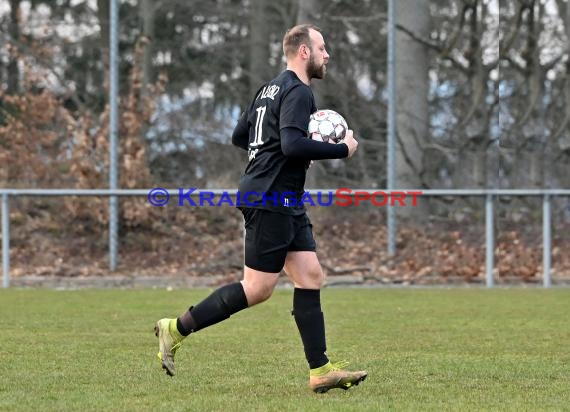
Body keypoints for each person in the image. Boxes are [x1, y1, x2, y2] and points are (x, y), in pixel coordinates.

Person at [154, 24, 367, 393]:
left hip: (283, 197)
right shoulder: (299, 91)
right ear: (304, 52)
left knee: (310, 275)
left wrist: (275, 149)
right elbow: (292, 145)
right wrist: (340, 149)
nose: (327, 55)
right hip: (270, 198)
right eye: (322, 47)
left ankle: (320, 370)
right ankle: (175, 328)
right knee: (257, 288)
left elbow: (241, 136)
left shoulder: (268, 89)